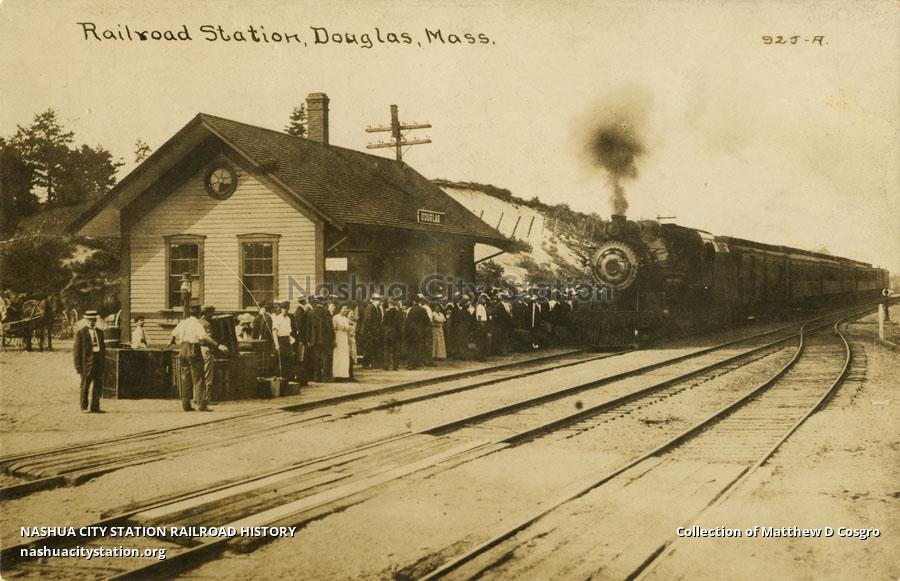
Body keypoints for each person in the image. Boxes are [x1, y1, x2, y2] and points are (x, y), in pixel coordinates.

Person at [169, 302, 228, 411]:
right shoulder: (197, 324)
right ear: (199, 313)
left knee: (185, 378)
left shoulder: (183, 322)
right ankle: (201, 405)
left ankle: (186, 405)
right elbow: (204, 336)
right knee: (198, 378)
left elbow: (173, 334)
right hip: (193, 349)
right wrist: (218, 345)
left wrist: (171, 342)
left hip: (183, 350)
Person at [73, 310, 105, 413]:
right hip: (86, 363)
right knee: (85, 385)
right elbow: (76, 351)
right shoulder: (81, 333)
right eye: (90, 320)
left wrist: (103, 363)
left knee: (97, 385)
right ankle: (84, 407)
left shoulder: (100, 332)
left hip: (98, 361)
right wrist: (78, 366)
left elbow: (103, 349)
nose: (92, 322)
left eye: (94, 320)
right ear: (86, 320)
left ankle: (95, 407)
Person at [309, 295, 335, 382]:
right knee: (325, 359)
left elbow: (308, 328)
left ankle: (317, 377)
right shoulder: (326, 312)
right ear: (322, 302)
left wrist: (309, 340)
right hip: (325, 340)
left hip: (314, 340)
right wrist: (332, 338)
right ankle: (326, 377)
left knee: (316, 359)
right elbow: (329, 327)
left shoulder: (311, 312)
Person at [403, 297, 432, 370]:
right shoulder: (423, 310)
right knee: (419, 347)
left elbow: (407, 322)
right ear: (419, 302)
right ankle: (416, 363)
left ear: (414, 302)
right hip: (420, 332)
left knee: (411, 348)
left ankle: (410, 364)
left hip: (411, 332)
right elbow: (427, 321)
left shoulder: (410, 310)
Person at [272, 300, 297, 380]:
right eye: (283, 309)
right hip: (280, 341)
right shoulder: (277, 319)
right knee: (280, 361)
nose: (285, 310)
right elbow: (274, 333)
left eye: (287, 309)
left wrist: (290, 343)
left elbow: (288, 333)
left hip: (287, 341)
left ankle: (287, 379)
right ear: (281, 309)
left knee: (288, 361)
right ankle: (280, 379)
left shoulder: (289, 319)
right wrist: (277, 345)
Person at [360, 294, 385, 369]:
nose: (379, 301)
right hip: (369, 331)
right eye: (378, 300)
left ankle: (374, 363)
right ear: (374, 300)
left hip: (375, 331)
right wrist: (367, 330)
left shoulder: (377, 308)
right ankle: (366, 364)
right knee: (368, 348)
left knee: (374, 347)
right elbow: (368, 320)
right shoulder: (370, 308)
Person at [332, 304, 352, 381]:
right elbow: (334, 329)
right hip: (338, 338)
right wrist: (334, 340)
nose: (345, 310)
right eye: (344, 308)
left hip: (344, 339)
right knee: (338, 356)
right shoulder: (335, 318)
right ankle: (337, 375)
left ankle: (344, 375)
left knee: (344, 356)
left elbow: (348, 329)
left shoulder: (345, 319)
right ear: (340, 309)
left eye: (346, 308)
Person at [382, 299, 403, 371]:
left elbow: (384, 323)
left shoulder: (386, 313)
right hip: (396, 333)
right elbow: (400, 324)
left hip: (388, 332)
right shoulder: (399, 313)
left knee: (387, 350)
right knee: (396, 350)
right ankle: (395, 366)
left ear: (390, 304)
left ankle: (386, 366)